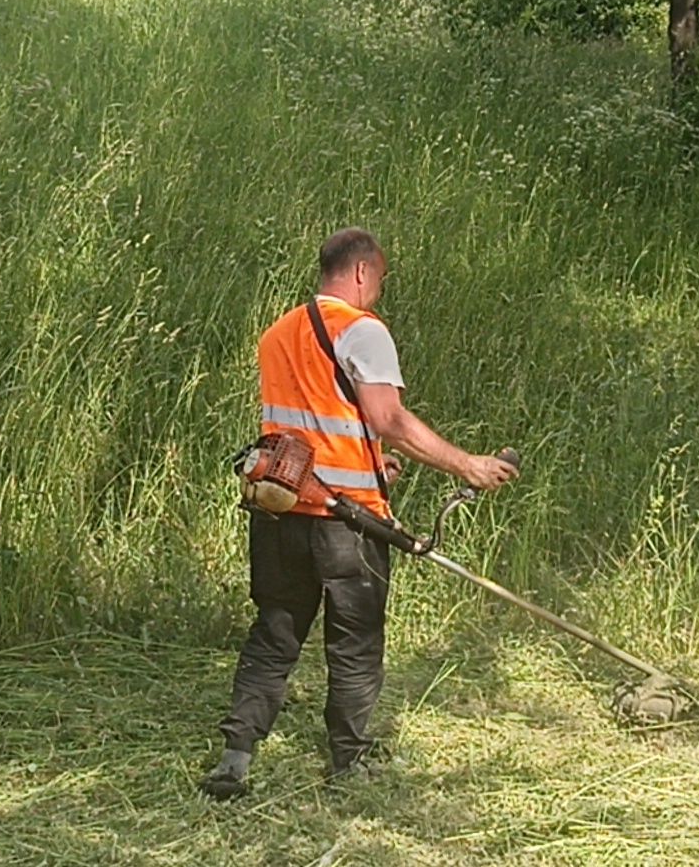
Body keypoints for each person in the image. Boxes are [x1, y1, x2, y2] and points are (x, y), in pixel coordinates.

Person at [200, 227, 518, 799]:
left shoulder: (278, 333)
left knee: (274, 633)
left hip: (280, 504)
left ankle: (235, 759)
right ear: (363, 272)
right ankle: (349, 763)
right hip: (346, 525)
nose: (380, 291)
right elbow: (388, 419)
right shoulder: (362, 331)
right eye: (382, 279)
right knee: (354, 643)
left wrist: (374, 466)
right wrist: (467, 465)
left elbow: (312, 424)